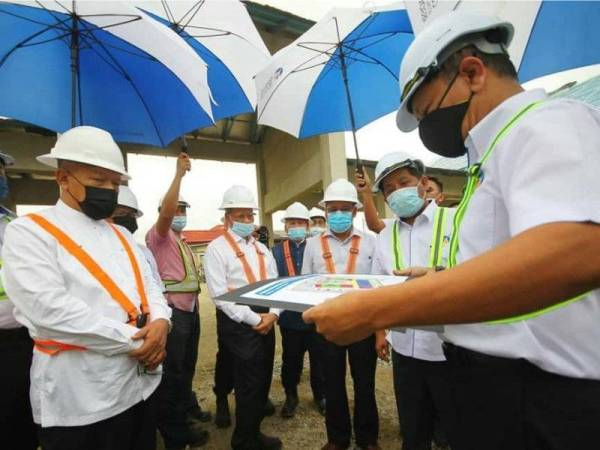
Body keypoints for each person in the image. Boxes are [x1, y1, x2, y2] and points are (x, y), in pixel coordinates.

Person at [304, 10, 600, 450]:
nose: (430, 128)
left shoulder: (548, 123)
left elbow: (577, 250)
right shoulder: (492, 154)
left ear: (472, 72)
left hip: (543, 398)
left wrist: (378, 310)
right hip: (497, 388)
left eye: (427, 111)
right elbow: (509, 255)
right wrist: (442, 279)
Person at [2, 126, 171, 450]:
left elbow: (149, 286)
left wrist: (161, 322)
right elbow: (49, 311)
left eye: (115, 182)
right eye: (98, 181)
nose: (109, 189)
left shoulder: (121, 235)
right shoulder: (30, 232)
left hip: (139, 389)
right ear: (63, 178)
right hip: (81, 402)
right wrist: (139, 341)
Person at [370, 153, 456, 450]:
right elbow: (377, 290)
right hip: (406, 352)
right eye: (389, 188)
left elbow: (483, 271)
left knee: (459, 429)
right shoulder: (384, 237)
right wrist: (380, 332)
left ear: (422, 182)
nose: (398, 192)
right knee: (413, 429)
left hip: (452, 351)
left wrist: (440, 274)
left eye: (403, 182)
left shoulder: (455, 220)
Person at [301, 179, 379, 450]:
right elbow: (305, 284)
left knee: (365, 384)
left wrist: (381, 330)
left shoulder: (372, 242)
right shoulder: (313, 245)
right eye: (332, 209)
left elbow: (381, 288)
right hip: (328, 326)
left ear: (355, 212)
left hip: (363, 324)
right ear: (325, 213)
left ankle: (368, 439)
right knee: (332, 384)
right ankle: (337, 439)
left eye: (344, 209)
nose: (337, 214)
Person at [204, 185, 282, 450]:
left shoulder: (261, 248)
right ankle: (244, 440)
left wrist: (272, 315)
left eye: (250, 215)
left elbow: (276, 284)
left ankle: (252, 431)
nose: (247, 221)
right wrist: (254, 320)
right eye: (240, 216)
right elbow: (221, 295)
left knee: (261, 378)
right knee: (248, 382)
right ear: (227, 218)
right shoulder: (217, 249)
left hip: (266, 318)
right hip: (238, 320)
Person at [146, 153, 209, 450]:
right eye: (177, 207)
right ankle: (175, 431)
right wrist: (179, 176)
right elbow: (167, 216)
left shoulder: (182, 241)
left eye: (185, 208)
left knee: (186, 368)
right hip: (173, 313)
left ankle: (184, 414)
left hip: (191, 311)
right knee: (172, 374)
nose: (180, 213)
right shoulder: (159, 235)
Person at [272, 202, 326, 418]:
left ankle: (320, 395)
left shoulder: (319, 247)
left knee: (320, 360)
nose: (296, 226)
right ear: (286, 227)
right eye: (292, 223)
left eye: (300, 223)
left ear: (308, 225)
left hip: (316, 317)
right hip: (290, 319)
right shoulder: (275, 252)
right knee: (291, 360)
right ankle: (291, 396)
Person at [0, 150, 38, 450]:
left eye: (1, 171)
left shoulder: (14, 223)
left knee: (25, 412)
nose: (1, 177)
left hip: (23, 334)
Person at [112, 185, 163, 289]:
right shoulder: (97, 251)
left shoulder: (143, 252)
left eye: (132, 215)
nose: (128, 219)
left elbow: (156, 288)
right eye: (121, 213)